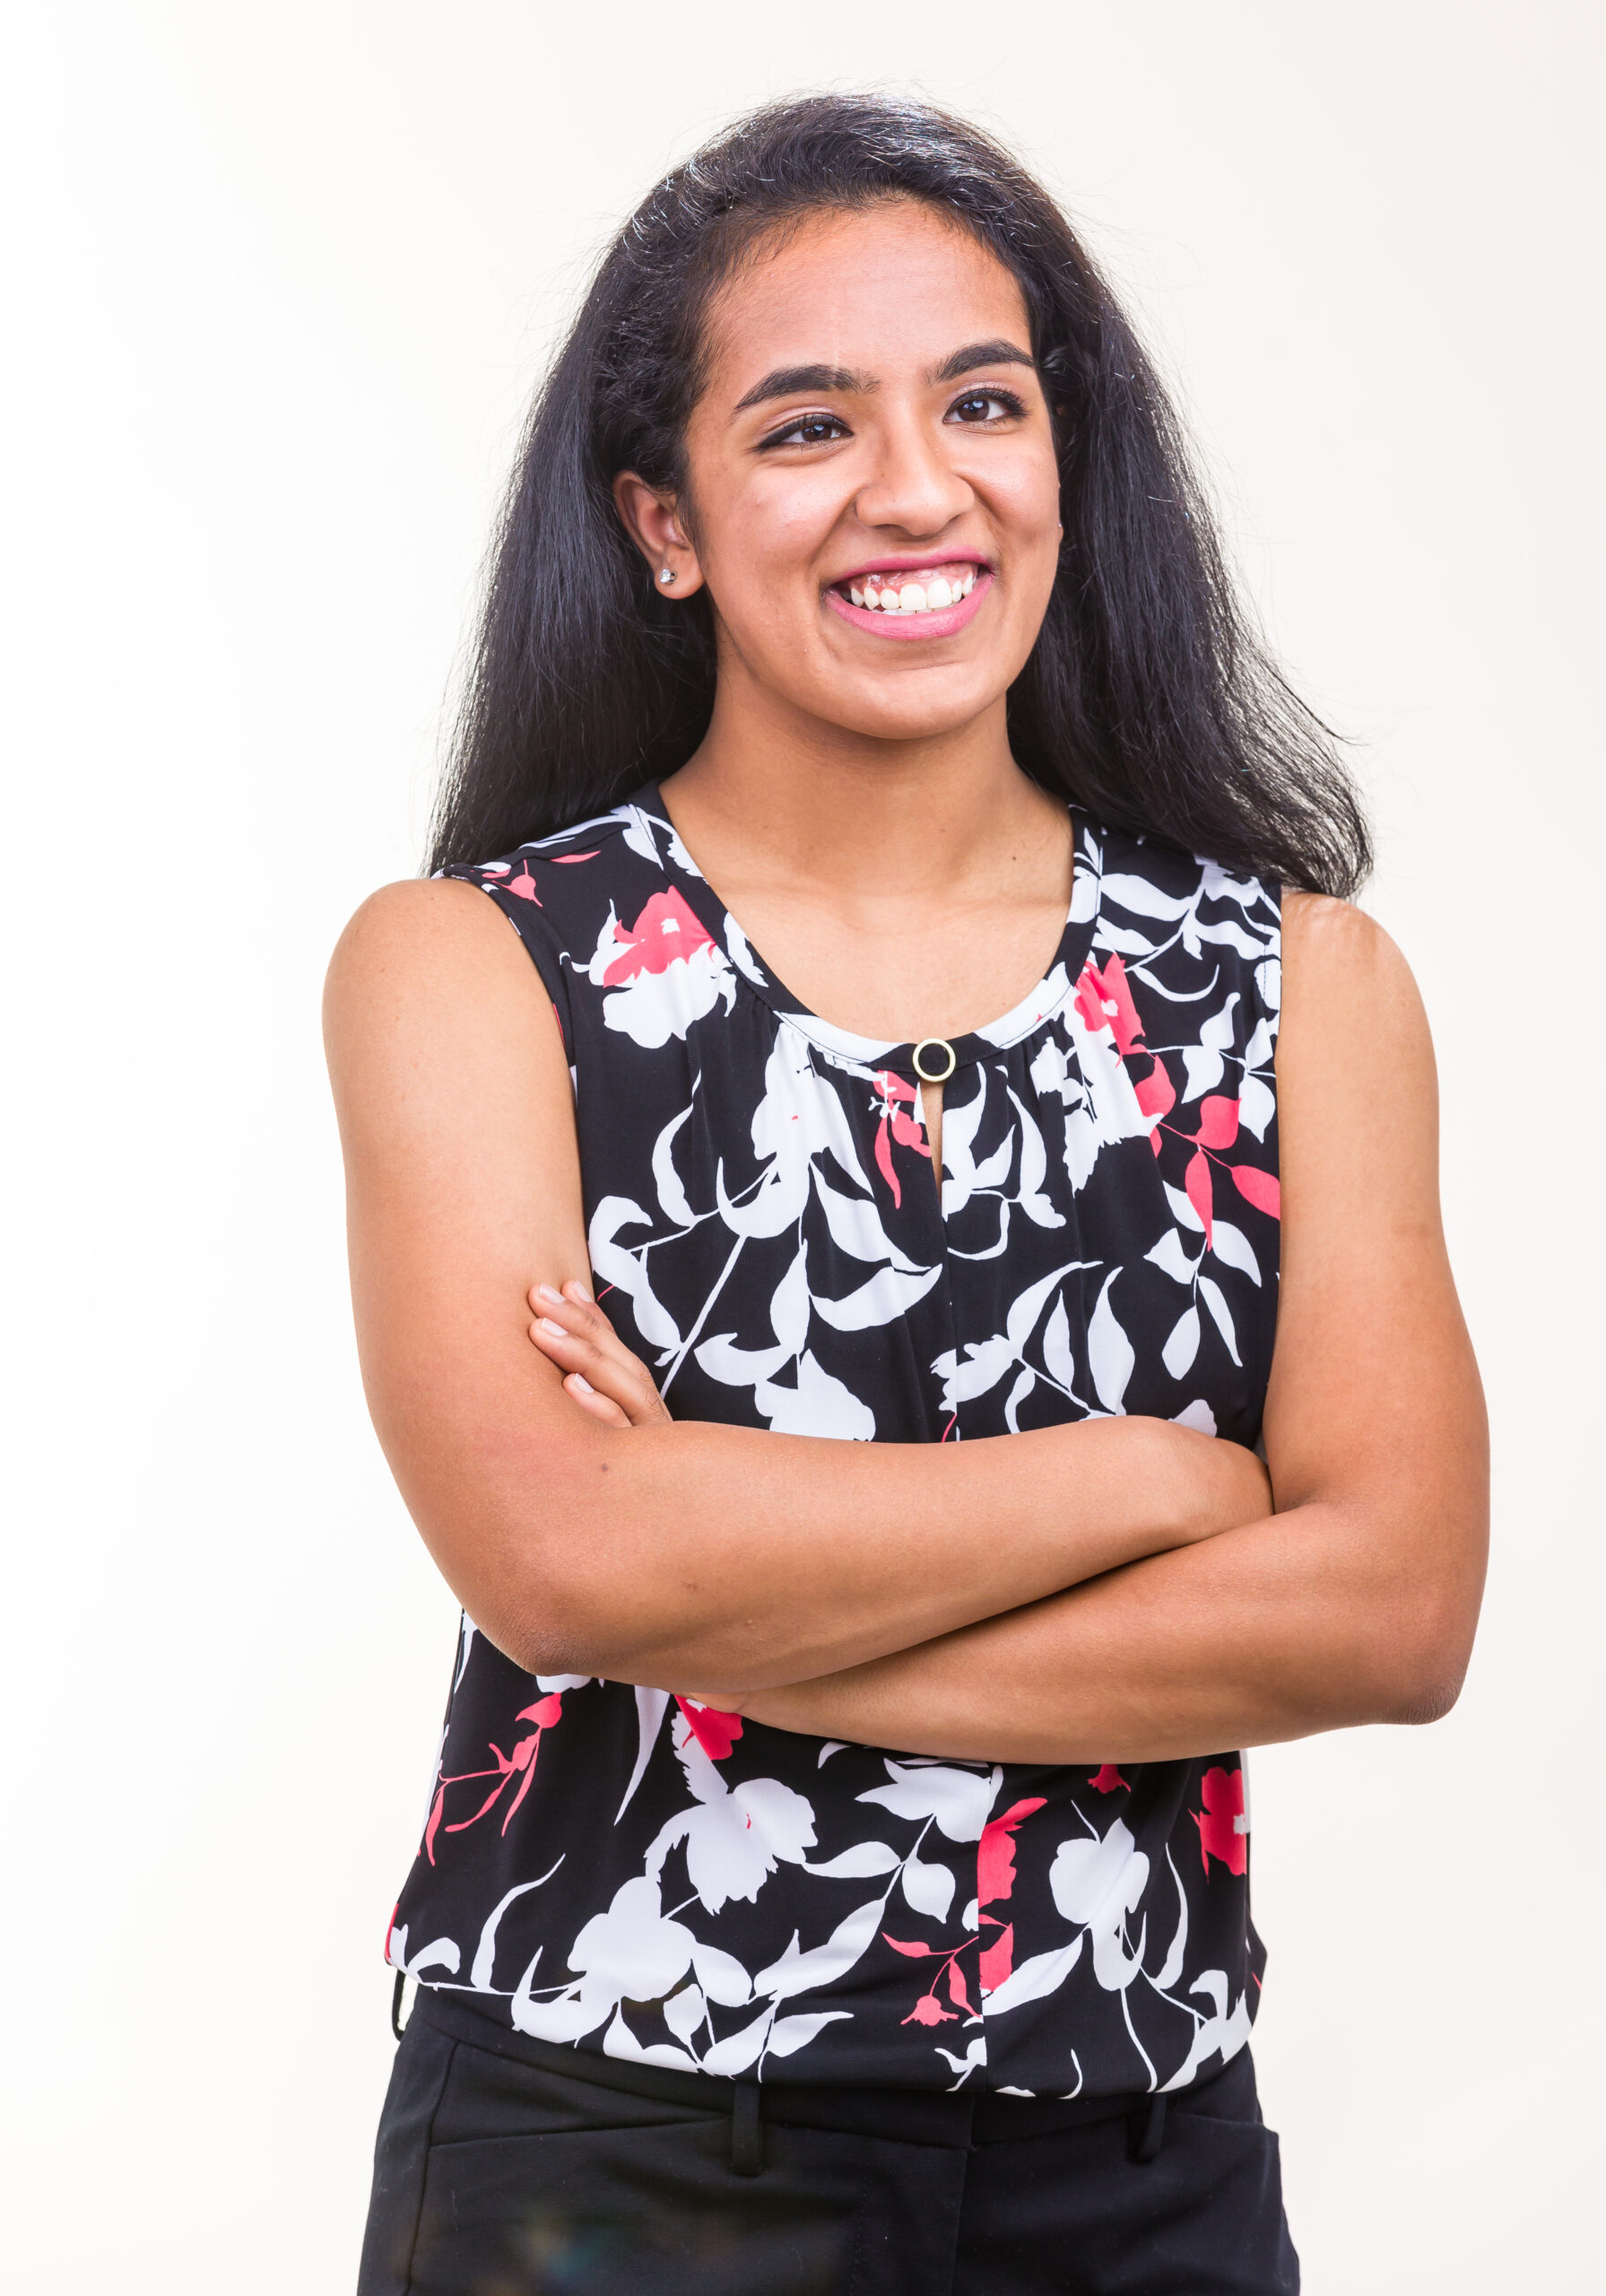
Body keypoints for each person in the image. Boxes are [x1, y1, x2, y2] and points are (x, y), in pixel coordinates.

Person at [325, 92, 1488, 2296]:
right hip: (617, 2136)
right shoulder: (480, 963)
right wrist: (1162, 1474)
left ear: (1068, 460)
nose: (917, 487)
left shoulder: (1295, 981)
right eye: (805, 426)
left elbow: (1394, 1608)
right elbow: (568, 1557)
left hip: (1141, 2155)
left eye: (982, 400)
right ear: (662, 520)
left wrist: (732, 1567)